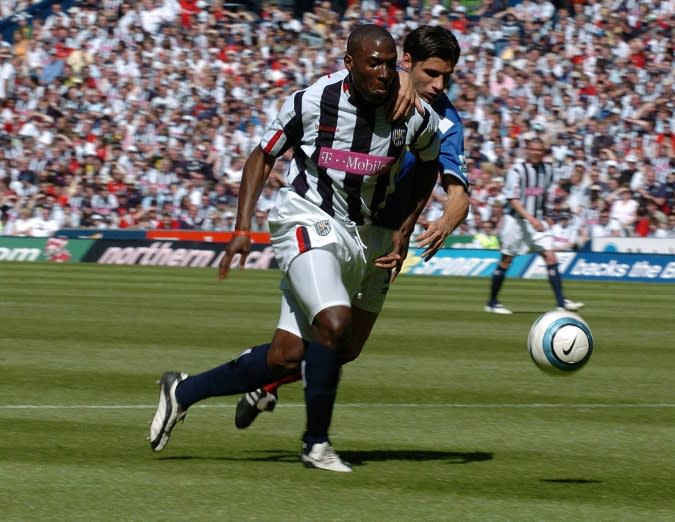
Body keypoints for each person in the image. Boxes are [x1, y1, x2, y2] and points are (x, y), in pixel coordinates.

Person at [148, 25, 442, 473]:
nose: (383, 73)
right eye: (373, 63)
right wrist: (242, 227)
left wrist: (405, 228)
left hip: (370, 237)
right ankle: (316, 444)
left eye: (389, 63)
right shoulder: (312, 101)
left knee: (296, 355)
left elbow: (427, 165)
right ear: (350, 64)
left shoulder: (414, 116)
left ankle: (182, 391)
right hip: (307, 219)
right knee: (334, 322)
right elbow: (262, 155)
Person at [232, 25, 469, 432]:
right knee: (331, 329)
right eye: (431, 74)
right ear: (406, 63)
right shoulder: (359, 88)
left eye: (447, 76)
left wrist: (442, 222)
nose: (439, 85)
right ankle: (309, 433)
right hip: (331, 222)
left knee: (345, 349)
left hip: (383, 237)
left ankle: (264, 380)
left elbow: (457, 191)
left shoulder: (442, 121)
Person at [485, 137, 583, 314]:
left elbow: (543, 195)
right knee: (506, 260)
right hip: (516, 222)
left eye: (539, 150)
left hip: (535, 221)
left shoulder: (548, 170)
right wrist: (531, 219)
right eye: (533, 150)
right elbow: (512, 200)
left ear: (543, 152)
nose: (536, 153)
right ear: (527, 150)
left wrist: (545, 214)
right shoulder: (517, 170)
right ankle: (492, 302)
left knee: (550, 256)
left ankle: (561, 302)